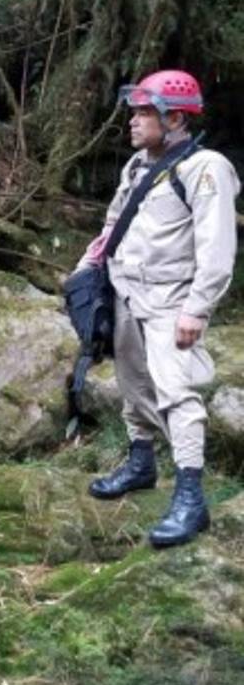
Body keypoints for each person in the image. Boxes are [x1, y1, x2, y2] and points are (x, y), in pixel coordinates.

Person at [77, 70, 238, 547]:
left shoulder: (206, 169)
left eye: (145, 112)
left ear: (174, 117)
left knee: (177, 392)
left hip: (173, 299)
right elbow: (113, 224)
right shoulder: (136, 166)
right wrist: (89, 267)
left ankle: (191, 497)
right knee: (133, 383)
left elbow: (216, 248)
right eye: (136, 110)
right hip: (127, 291)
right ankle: (141, 461)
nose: (133, 120)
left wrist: (197, 309)